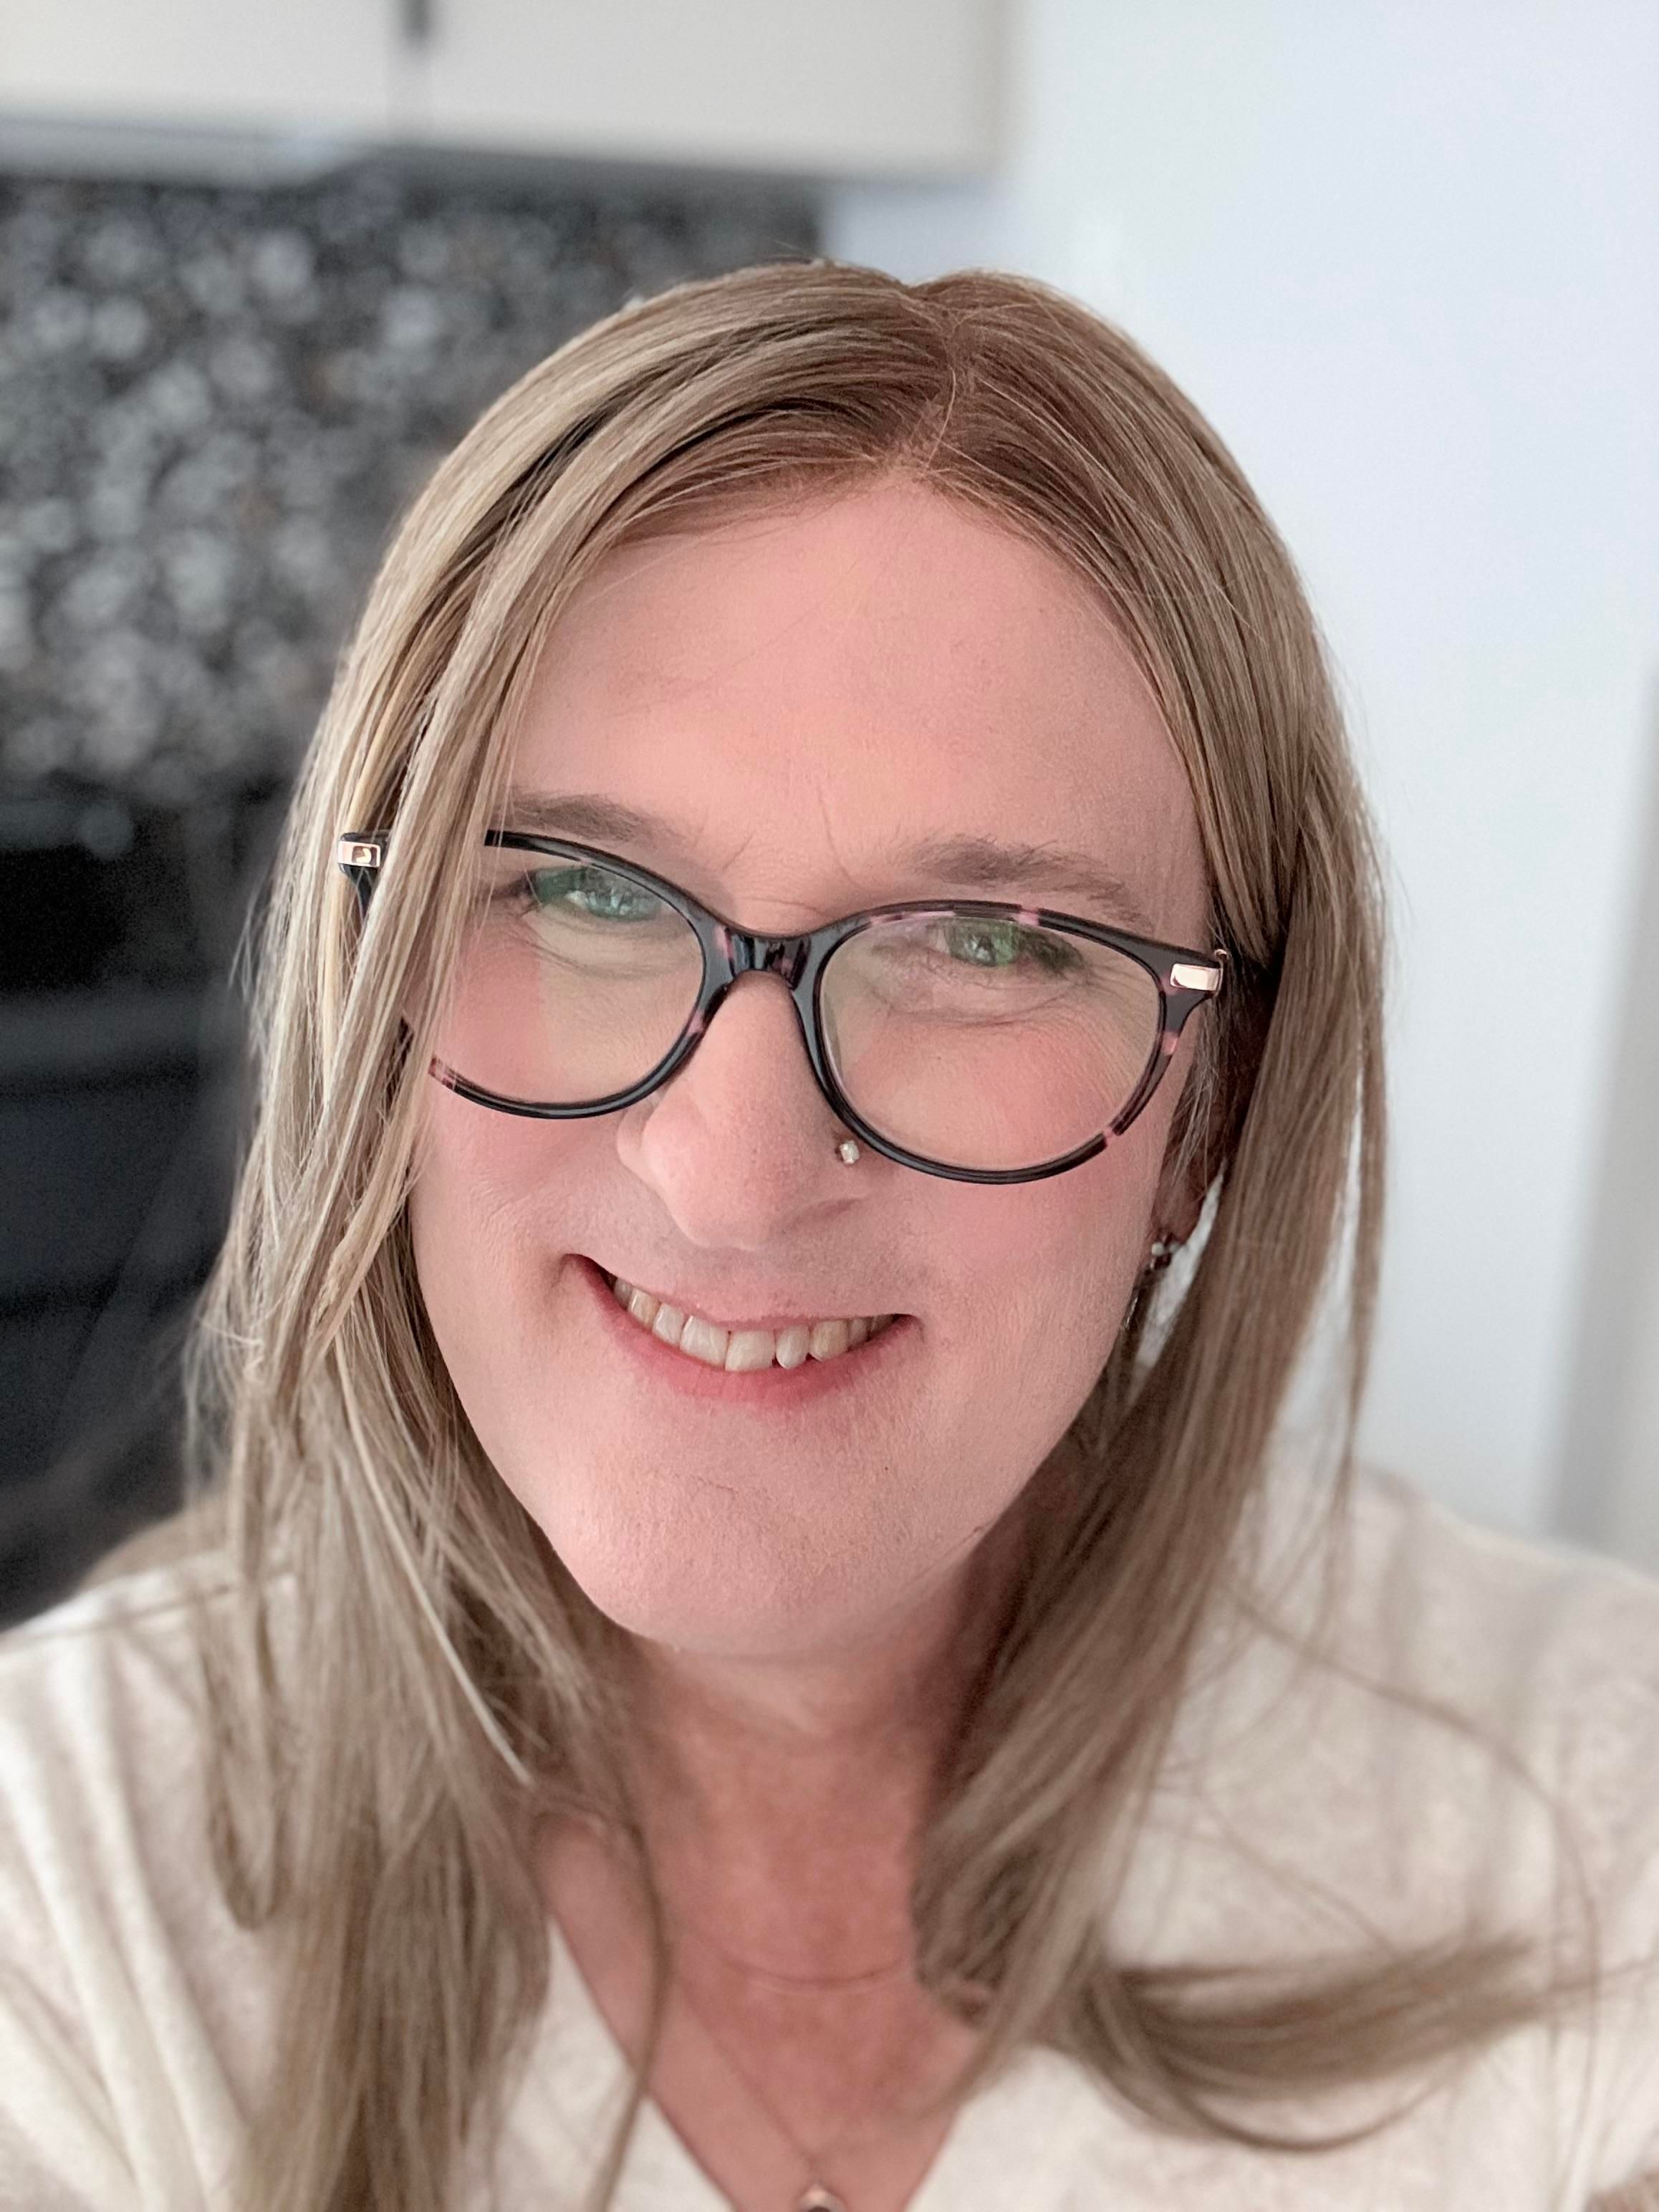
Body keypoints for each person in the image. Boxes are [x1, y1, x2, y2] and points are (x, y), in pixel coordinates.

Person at [1, 261, 1656, 2212]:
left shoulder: (1584, 1818)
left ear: (1210, 1107)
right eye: (585, 891)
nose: (734, 1176)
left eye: (986, 944)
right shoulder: (64, 1893)